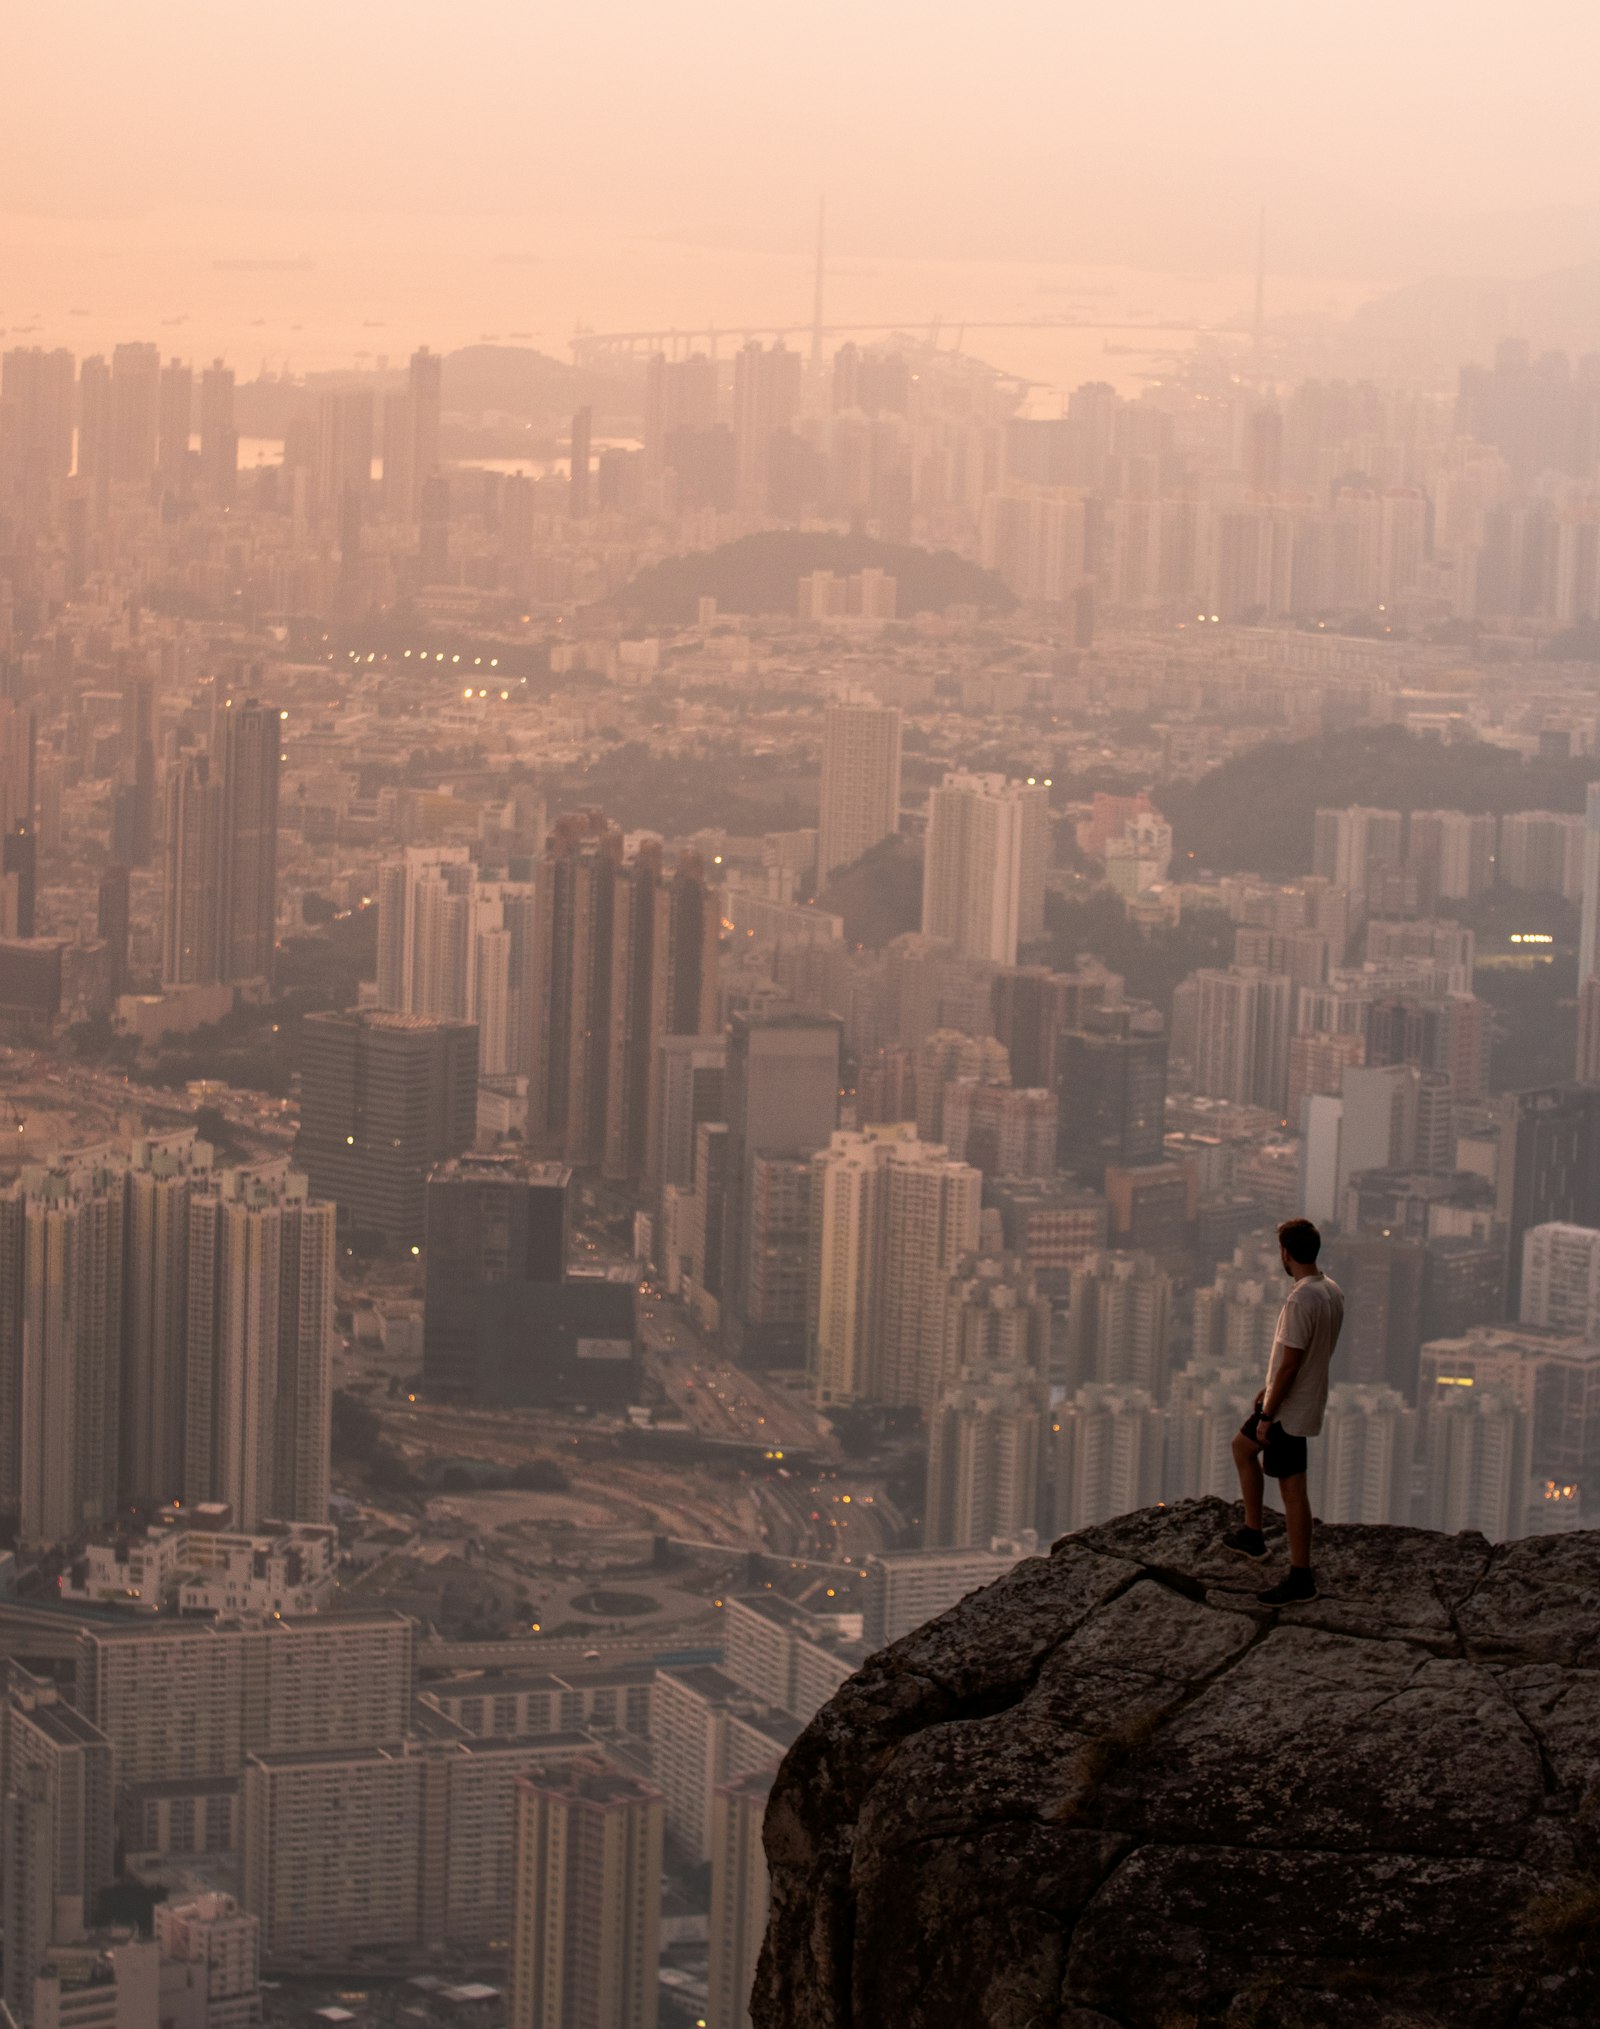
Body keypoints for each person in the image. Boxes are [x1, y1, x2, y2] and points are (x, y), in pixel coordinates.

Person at [1222, 1216, 1344, 1605]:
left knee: (1293, 1491)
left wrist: (1267, 1414)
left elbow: (1292, 1362)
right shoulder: (1331, 1291)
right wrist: (1269, 1389)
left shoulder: (1300, 1299)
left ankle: (1300, 1576)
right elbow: (1308, 1357)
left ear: (1285, 1253)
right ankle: (1252, 1533)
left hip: (1289, 1409)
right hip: (1295, 1398)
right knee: (1242, 1450)